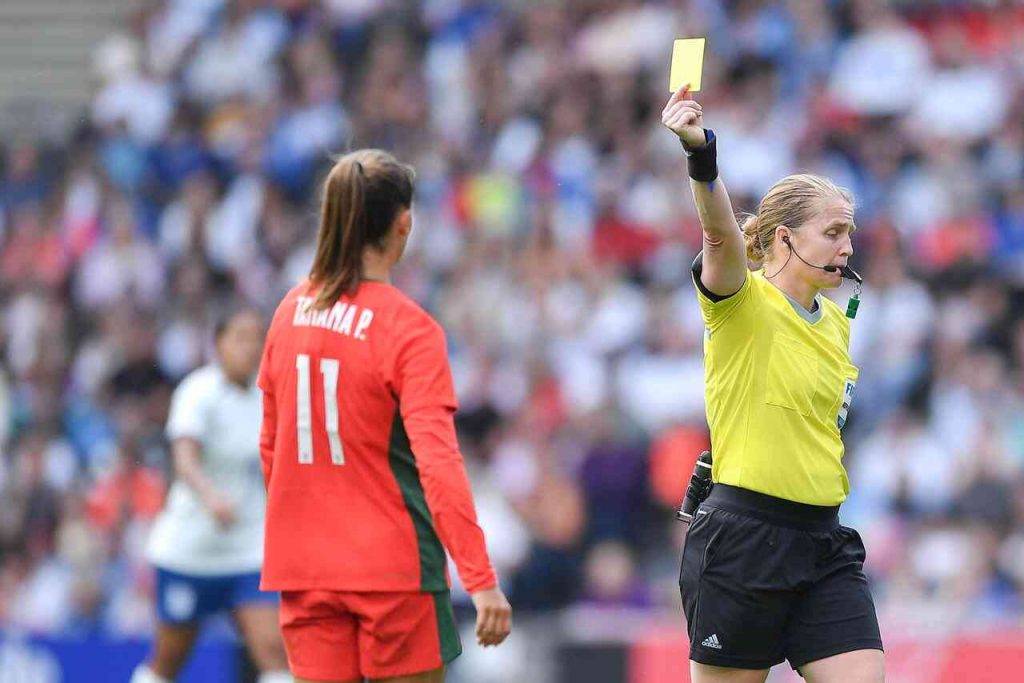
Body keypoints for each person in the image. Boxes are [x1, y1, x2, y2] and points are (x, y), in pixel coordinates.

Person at [257, 149, 512, 683]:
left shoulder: (288, 312)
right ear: (405, 224)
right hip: (393, 572)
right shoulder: (410, 330)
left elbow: (271, 446)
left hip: (304, 569)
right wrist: (479, 577)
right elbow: (439, 463)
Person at [662, 85, 884, 683]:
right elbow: (718, 236)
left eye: (850, 233)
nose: (847, 246)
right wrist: (700, 158)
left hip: (823, 541)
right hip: (743, 544)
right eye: (833, 232)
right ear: (784, 238)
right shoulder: (741, 301)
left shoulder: (837, 322)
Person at [131, 307, 290, 683]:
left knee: (272, 650)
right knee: (170, 660)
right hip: (192, 550)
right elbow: (185, 458)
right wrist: (210, 496)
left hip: (247, 548)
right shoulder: (197, 391)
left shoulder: (269, 395)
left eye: (257, 338)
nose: (251, 347)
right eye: (240, 337)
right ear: (218, 344)